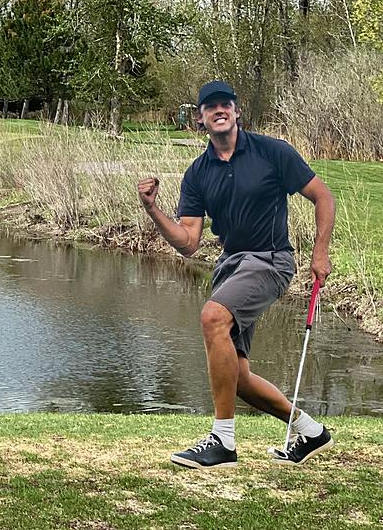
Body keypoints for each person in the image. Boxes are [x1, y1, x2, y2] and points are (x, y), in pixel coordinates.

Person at [137, 80, 337, 470]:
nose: (219, 110)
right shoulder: (197, 172)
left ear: (237, 110)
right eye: (210, 107)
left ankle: (223, 442)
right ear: (200, 118)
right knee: (236, 376)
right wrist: (152, 209)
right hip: (230, 265)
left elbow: (323, 196)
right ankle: (310, 430)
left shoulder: (272, 152)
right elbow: (189, 241)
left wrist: (320, 250)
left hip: (271, 259)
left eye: (225, 104)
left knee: (212, 316)